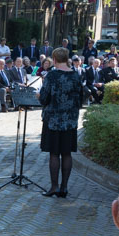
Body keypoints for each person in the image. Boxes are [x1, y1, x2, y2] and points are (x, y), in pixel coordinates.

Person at [38, 48, 81, 198]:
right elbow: (80, 98)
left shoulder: (52, 76)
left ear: (54, 60)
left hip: (53, 121)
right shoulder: (76, 75)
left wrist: (39, 95)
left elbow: (44, 98)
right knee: (67, 153)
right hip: (70, 121)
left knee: (54, 153)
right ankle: (64, 188)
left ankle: (54, 187)